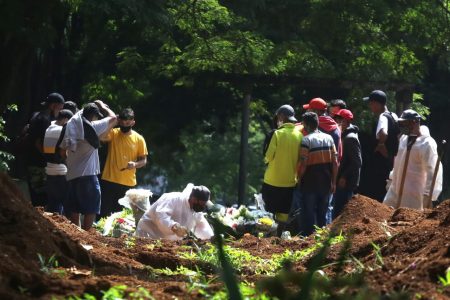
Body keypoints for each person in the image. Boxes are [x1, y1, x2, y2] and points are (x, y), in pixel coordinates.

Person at [61, 100, 117, 230]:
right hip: (88, 175)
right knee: (91, 207)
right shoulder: (92, 127)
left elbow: (62, 152)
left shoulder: (72, 128)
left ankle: (76, 233)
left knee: (74, 207)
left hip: (72, 174)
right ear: (93, 116)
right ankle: (87, 234)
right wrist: (103, 106)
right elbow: (114, 118)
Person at [383, 110, 442, 210]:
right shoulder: (403, 139)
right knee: (385, 214)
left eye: (404, 123)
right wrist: (392, 178)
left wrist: (427, 195)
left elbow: (432, 171)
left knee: (408, 222)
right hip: (396, 190)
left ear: (414, 122)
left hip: (414, 195)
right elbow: (398, 162)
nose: (402, 126)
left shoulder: (427, 144)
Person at [99, 108, 148, 218]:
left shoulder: (139, 139)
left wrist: (135, 165)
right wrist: (113, 123)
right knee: (104, 213)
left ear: (133, 122)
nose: (124, 125)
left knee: (121, 217)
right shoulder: (114, 133)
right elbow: (101, 137)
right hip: (109, 179)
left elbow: (143, 160)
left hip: (127, 183)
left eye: (127, 123)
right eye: (122, 123)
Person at [295, 112, 338, 236]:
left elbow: (303, 165)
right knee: (323, 215)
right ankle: (322, 240)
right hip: (326, 183)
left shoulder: (306, 140)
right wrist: (333, 182)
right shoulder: (329, 138)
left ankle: (309, 240)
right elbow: (335, 163)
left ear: (307, 125)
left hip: (310, 184)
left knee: (309, 214)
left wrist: (299, 179)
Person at [262, 105, 302, 230]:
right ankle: (278, 235)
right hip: (289, 182)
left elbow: (268, 157)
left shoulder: (277, 134)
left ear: (281, 117)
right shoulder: (300, 136)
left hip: (272, 180)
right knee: (283, 212)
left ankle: (267, 236)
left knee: (269, 211)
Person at [26, 92, 65, 206]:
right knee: (42, 199)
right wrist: (48, 157)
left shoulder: (35, 115)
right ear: (53, 106)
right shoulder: (45, 119)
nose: (59, 113)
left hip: (30, 161)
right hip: (39, 165)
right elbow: (38, 142)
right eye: (59, 109)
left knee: (36, 198)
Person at [136, 184, 214, 240]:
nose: (202, 207)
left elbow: (202, 226)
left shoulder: (196, 212)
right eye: (201, 203)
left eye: (204, 204)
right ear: (194, 199)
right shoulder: (173, 198)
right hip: (148, 234)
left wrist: (211, 238)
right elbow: (161, 215)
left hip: (167, 242)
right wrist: (174, 227)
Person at [361, 90, 399, 202]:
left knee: (378, 191)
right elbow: (399, 135)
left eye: (371, 103)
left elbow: (383, 133)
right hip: (391, 160)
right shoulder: (394, 115)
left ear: (378, 104)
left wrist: (381, 144)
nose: (370, 106)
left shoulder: (383, 117)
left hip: (381, 162)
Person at [332, 109, 362, 219]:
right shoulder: (344, 135)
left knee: (341, 214)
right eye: (337, 119)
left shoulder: (350, 138)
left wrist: (344, 176)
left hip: (346, 183)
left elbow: (357, 162)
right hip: (342, 181)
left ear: (347, 122)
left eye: (340, 120)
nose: (337, 122)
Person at [43, 109, 74, 214]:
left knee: (53, 205)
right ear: (65, 119)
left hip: (49, 171)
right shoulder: (63, 130)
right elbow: (64, 152)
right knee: (66, 205)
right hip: (61, 171)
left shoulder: (49, 128)